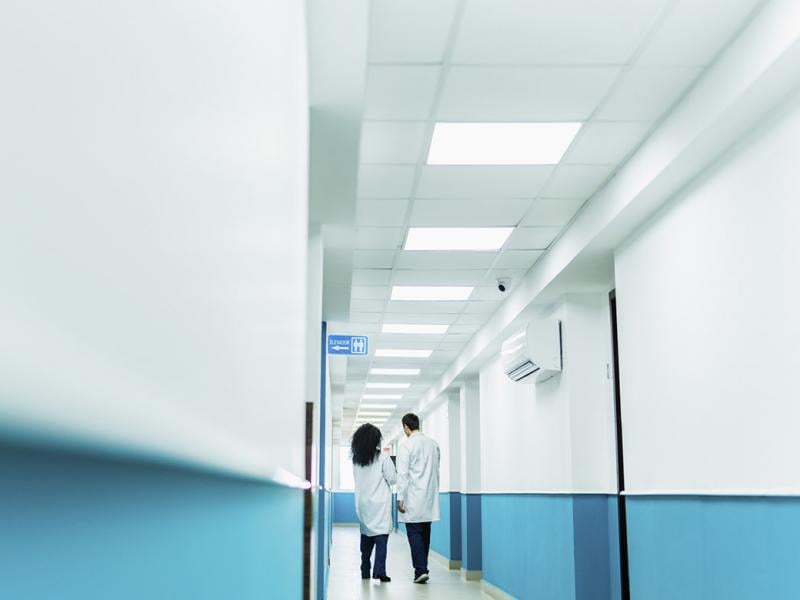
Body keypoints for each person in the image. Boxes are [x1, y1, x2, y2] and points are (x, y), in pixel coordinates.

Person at [396, 413, 440, 584]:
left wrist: (400, 497)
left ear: (406, 427)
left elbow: (403, 475)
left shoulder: (406, 446)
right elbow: (436, 469)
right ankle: (423, 567)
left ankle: (421, 570)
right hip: (429, 497)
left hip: (413, 497)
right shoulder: (433, 444)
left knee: (414, 533)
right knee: (425, 534)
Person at [351, 423, 396, 583]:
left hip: (363, 504)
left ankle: (365, 569)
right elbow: (392, 479)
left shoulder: (356, 460)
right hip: (380, 505)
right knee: (381, 539)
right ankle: (380, 572)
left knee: (366, 537)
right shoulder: (384, 458)